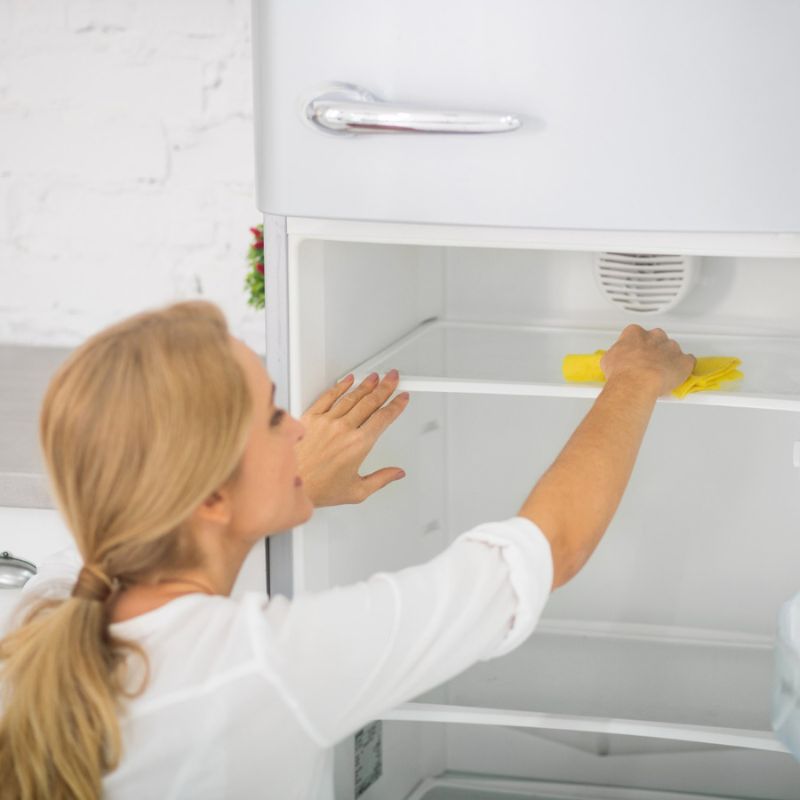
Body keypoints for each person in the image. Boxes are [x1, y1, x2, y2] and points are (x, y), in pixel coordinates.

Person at [0, 300, 694, 799]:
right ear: (210, 499)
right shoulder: (266, 668)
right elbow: (547, 552)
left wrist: (274, 498)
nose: (302, 429)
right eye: (275, 417)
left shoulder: (40, 618)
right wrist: (635, 378)